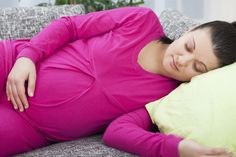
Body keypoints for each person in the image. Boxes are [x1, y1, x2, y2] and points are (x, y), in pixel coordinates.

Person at [0, 6, 235, 156]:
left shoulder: (165, 98)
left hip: (29, 127)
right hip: (11, 62)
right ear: (189, 30)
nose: (183, 60)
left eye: (197, 66)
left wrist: (178, 148)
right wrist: (27, 58)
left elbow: (118, 132)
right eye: (189, 46)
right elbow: (70, 26)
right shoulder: (142, 20)